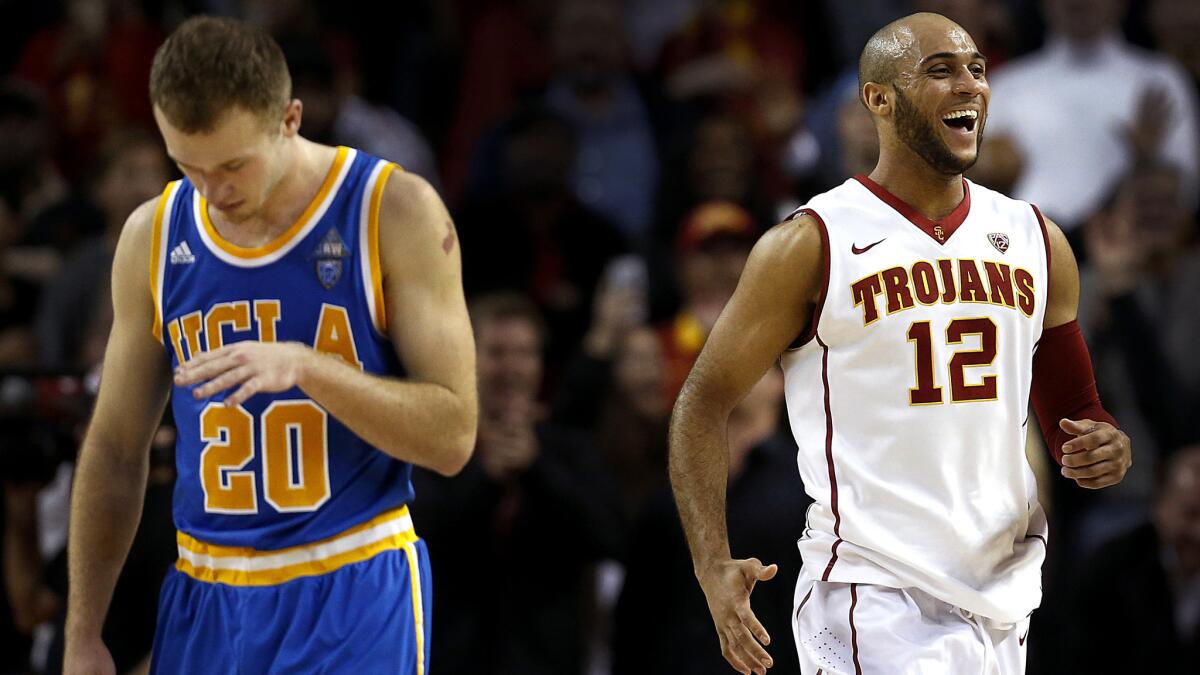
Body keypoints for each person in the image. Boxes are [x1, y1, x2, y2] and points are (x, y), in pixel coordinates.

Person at [668, 12, 1132, 675]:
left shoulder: (1036, 238)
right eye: (939, 70)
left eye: (975, 68)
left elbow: (1076, 414)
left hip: (1001, 599)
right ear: (878, 99)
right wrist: (711, 562)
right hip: (872, 595)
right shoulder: (812, 242)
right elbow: (702, 401)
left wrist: (1101, 445)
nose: (969, 84)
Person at [62, 15, 476, 675]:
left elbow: (453, 436)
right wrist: (83, 631)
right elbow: (115, 447)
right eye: (187, 165)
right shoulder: (154, 234)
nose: (213, 191)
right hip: (205, 589)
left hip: (351, 581)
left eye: (231, 164)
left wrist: (310, 368)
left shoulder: (392, 209)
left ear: (290, 118)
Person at [410, 293, 623, 675]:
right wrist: (486, 479)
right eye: (497, 352)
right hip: (453, 660)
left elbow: (609, 536)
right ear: (466, 359)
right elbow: (421, 541)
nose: (512, 367)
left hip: (549, 661)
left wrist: (537, 467)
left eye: (525, 353)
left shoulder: (568, 448)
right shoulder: (434, 449)